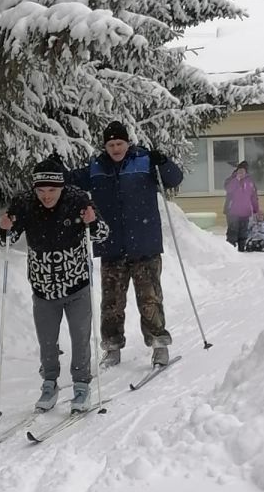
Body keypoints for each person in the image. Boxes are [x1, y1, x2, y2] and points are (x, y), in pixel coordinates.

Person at [0, 159, 109, 412]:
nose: (46, 197)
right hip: (42, 287)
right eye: (41, 191)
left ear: (62, 187)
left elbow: (102, 233)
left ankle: (81, 386)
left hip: (77, 285)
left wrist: (92, 222)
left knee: (80, 338)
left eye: (52, 191)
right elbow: (5, 239)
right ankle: (49, 383)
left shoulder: (78, 200)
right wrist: (4, 230)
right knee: (47, 341)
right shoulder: (24, 203)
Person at [67, 122, 183, 369]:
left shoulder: (144, 161)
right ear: (105, 146)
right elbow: (69, 181)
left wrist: (163, 162)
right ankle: (112, 347)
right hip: (111, 246)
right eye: (111, 144)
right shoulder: (97, 168)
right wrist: (56, 170)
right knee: (112, 302)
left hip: (145, 245)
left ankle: (159, 345)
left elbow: (174, 178)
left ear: (127, 143)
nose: (116, 148)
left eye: (119, 143)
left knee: (150, 299)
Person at [223, 160, 260, 251]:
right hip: (232, 211)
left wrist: (256, 209)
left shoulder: (250, 182)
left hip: (246, 211)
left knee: (243, 232)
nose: (241, 173)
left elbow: (254, 197)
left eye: (243, 171)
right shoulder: (231, 180)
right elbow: (229, 189)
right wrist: (236, 180)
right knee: (233, 231)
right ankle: (230, 250)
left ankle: (241, 249)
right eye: (239, 171)